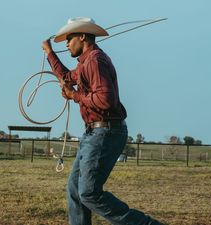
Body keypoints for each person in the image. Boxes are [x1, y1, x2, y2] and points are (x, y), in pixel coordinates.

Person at [42, 17, 163, 225]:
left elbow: (106, 100)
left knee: (88, 193)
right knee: (75, 190)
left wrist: (75, 96)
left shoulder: (95, 61)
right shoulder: (86, 63)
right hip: (96, 132)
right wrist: (50, 53)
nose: (67, 44)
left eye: (69, 38)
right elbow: (67, 77)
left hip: (104, 132)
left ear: (82, 36)